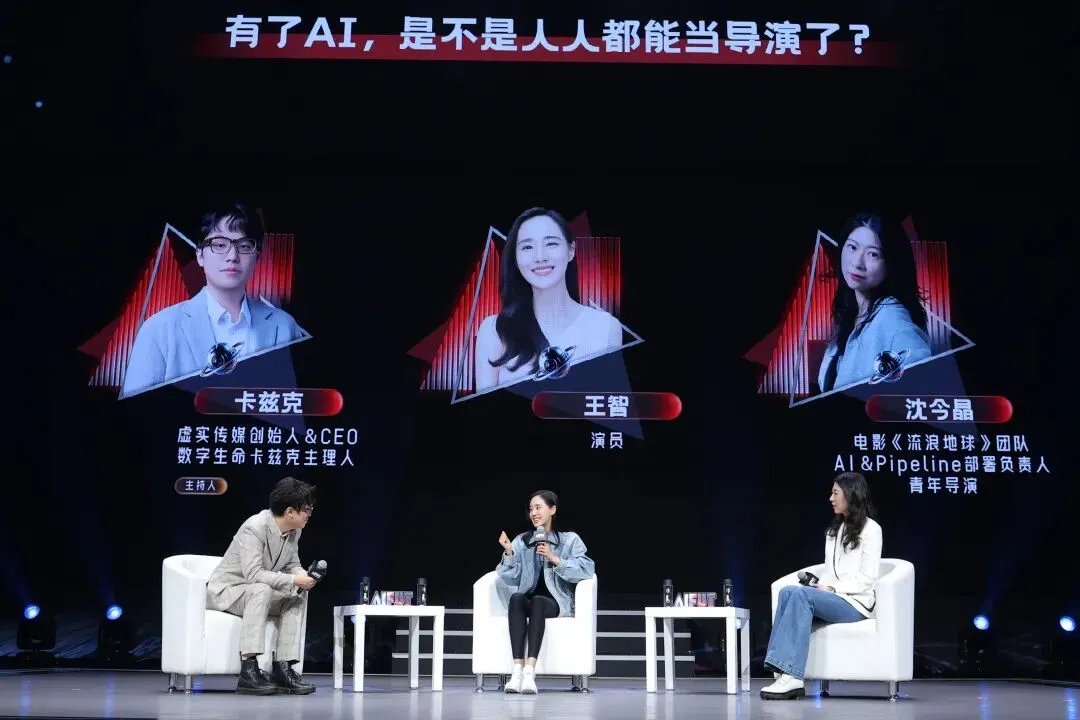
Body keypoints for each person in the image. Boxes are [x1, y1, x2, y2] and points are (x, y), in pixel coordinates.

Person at [121, 203, 308, 398]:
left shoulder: (283, 325)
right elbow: (136, 409)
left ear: (257, 256)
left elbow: (297, 402)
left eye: (244, 246)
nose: (232, 256)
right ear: (200, 255)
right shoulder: (158, 329)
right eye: (220, 245)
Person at [760, 472, 883, 700]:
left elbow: (868, 578)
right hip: (834, 599)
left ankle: (792, 676)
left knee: (801, 596)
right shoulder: (833, 531)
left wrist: (834, 589)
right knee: (788, 592)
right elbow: (829, 572)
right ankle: (780, 671)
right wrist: (820, 586)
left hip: (856, 603)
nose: (831, 498)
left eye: (835, 493)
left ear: (851, 494)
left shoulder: (871, 529)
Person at [475, 207, 622, 392]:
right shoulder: (494, 329)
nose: (540, 257)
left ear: (570, 250)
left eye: (551, 244)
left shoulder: (606, 327)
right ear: (516, 258)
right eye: (527, 247)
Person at [206, 476, 318, 695]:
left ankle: (283, 669)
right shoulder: (255, 527)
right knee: (261, 588)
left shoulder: (295, 531)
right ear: (289, 512)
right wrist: (293, 579)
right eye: (307, 509)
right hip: (228, 591)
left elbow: (292, 564)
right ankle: (248, 671)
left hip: (255, 592)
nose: (309, 514)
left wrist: (302, 577)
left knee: (297, 594)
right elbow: (253, 574)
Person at [817, 213, 931, 393]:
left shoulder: (891, 316)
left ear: (891, 264)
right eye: (852, 247)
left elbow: (924, 377)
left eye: (873, 254)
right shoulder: (852, 312)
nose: (857, 263)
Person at [495, 490, 595, 694]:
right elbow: (509, 578)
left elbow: (587, 569)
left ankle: (529, 672)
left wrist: (554, 558)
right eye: (531, 509)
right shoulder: (522, 541)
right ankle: (517, 672)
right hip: (529, 599)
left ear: (552, 510)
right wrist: (509, 552)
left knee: (539, 601)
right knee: (516, 598)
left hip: (555, 601)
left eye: (538, 507)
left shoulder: (569, 540)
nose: (533, 513)